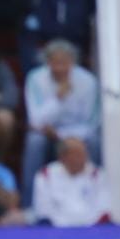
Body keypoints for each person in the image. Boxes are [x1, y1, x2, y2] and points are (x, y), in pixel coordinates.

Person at [21, 38, 100, 205]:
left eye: (64, 63)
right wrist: (58, 99)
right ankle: (29, 203)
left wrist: (63, 135)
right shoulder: (35, 78)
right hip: (46, 133)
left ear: (73, 62)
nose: (60, 68)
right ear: (47, 62)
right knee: (35, 141)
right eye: (55, 63)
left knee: (94, 141)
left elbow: (91, 122)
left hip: (77, 133)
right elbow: (35, 120)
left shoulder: (88, 81)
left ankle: (97, 197)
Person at [31, 135, 112, 225]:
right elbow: (44, 211)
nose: (84, 159)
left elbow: (104, 209)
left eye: (84, 153)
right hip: (56, 231)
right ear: (62, 157)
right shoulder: (45, 175)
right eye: (78, 155)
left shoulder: (97, 174)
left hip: (92, 230)